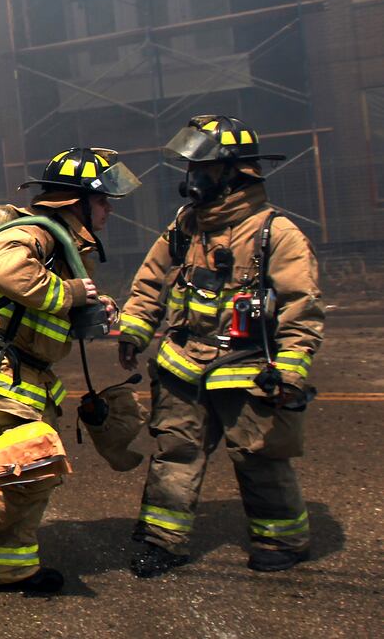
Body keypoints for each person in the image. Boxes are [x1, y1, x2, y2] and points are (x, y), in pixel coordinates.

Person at [0, 147, 139, 593]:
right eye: (102, 201)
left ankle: (10, 568)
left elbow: (52, 302)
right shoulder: (32, 231)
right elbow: (6, 273)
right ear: (76, 201)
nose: (109, 210)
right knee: (33, 466)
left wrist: (98, 306)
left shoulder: (65, 245)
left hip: (27, 372)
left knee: (28, 471)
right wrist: (73, 293)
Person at [118, 115, 322, 577]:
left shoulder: (275, 233)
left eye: (203, 168)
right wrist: (135, 330)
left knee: (259, 454)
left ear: (235, 172)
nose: (192, 178)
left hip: (246, 367)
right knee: (175, 452)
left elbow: (302, 307)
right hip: (183, 363)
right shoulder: (185, 227)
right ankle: (161, 541)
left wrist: (290, 369)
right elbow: (149, 282)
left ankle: (281, 540)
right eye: (192, 168)